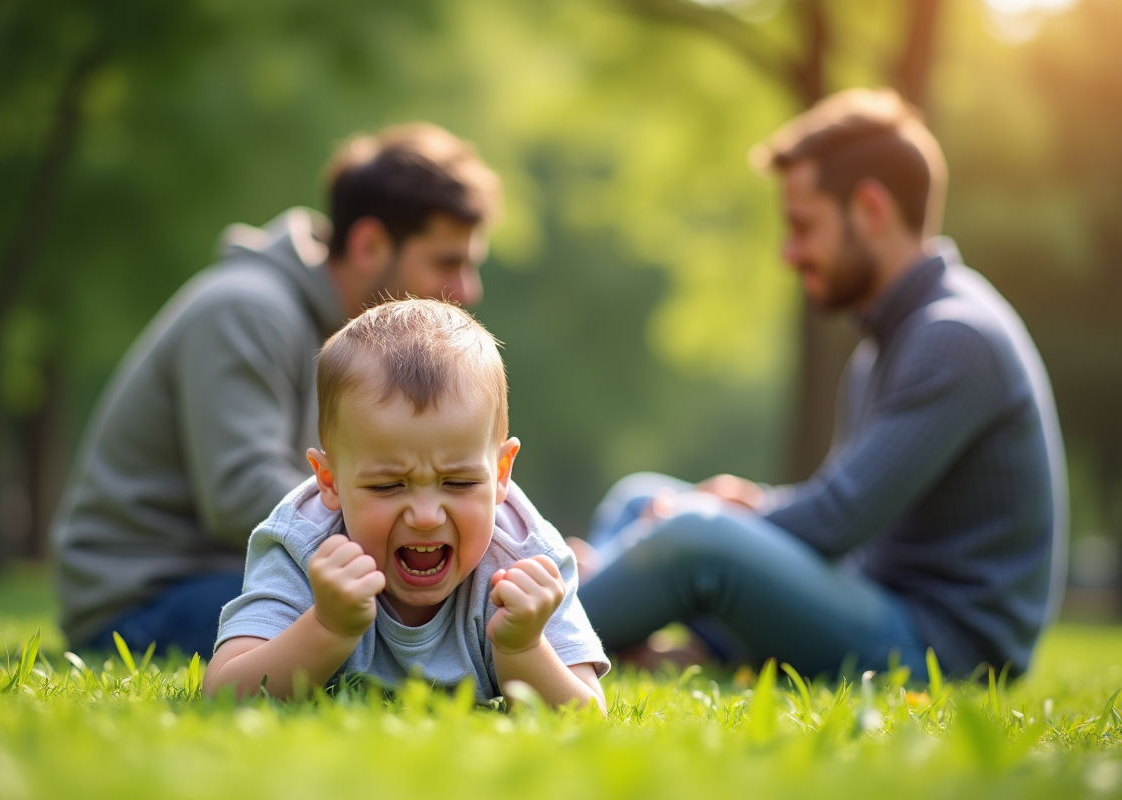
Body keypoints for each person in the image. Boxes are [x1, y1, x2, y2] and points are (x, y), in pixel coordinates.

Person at [574, 88, 1067, 678]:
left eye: (803, 226)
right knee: (640, 497)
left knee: (690, 533)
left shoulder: (954, 336)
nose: (789, 252)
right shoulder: (885, 346)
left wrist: (721, 516)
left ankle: (514, 632)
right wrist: (748, 506)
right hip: (875, 602)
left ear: (871, 210)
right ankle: (597, 621)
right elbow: (843, 515)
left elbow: (837, 521)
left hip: (942, 649)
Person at [52, 123, 501, 658]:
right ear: (368, 245)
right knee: (422, 616)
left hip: (221, 571)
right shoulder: (247, 311)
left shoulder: (351, 342)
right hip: (148, 595)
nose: (468, 289)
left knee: (476, 600)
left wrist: (502, 551)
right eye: (448, 261)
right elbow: (239, 490)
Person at [203, 299, 608, 709]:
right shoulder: (301, 543)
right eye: (388, 485)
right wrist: (327, 627)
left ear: (501, 474)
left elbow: (587, 717)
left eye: (459, 482)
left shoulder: (525, 557)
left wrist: (522, 648)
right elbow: (223, 692)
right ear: (330, 482)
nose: (426, 517)